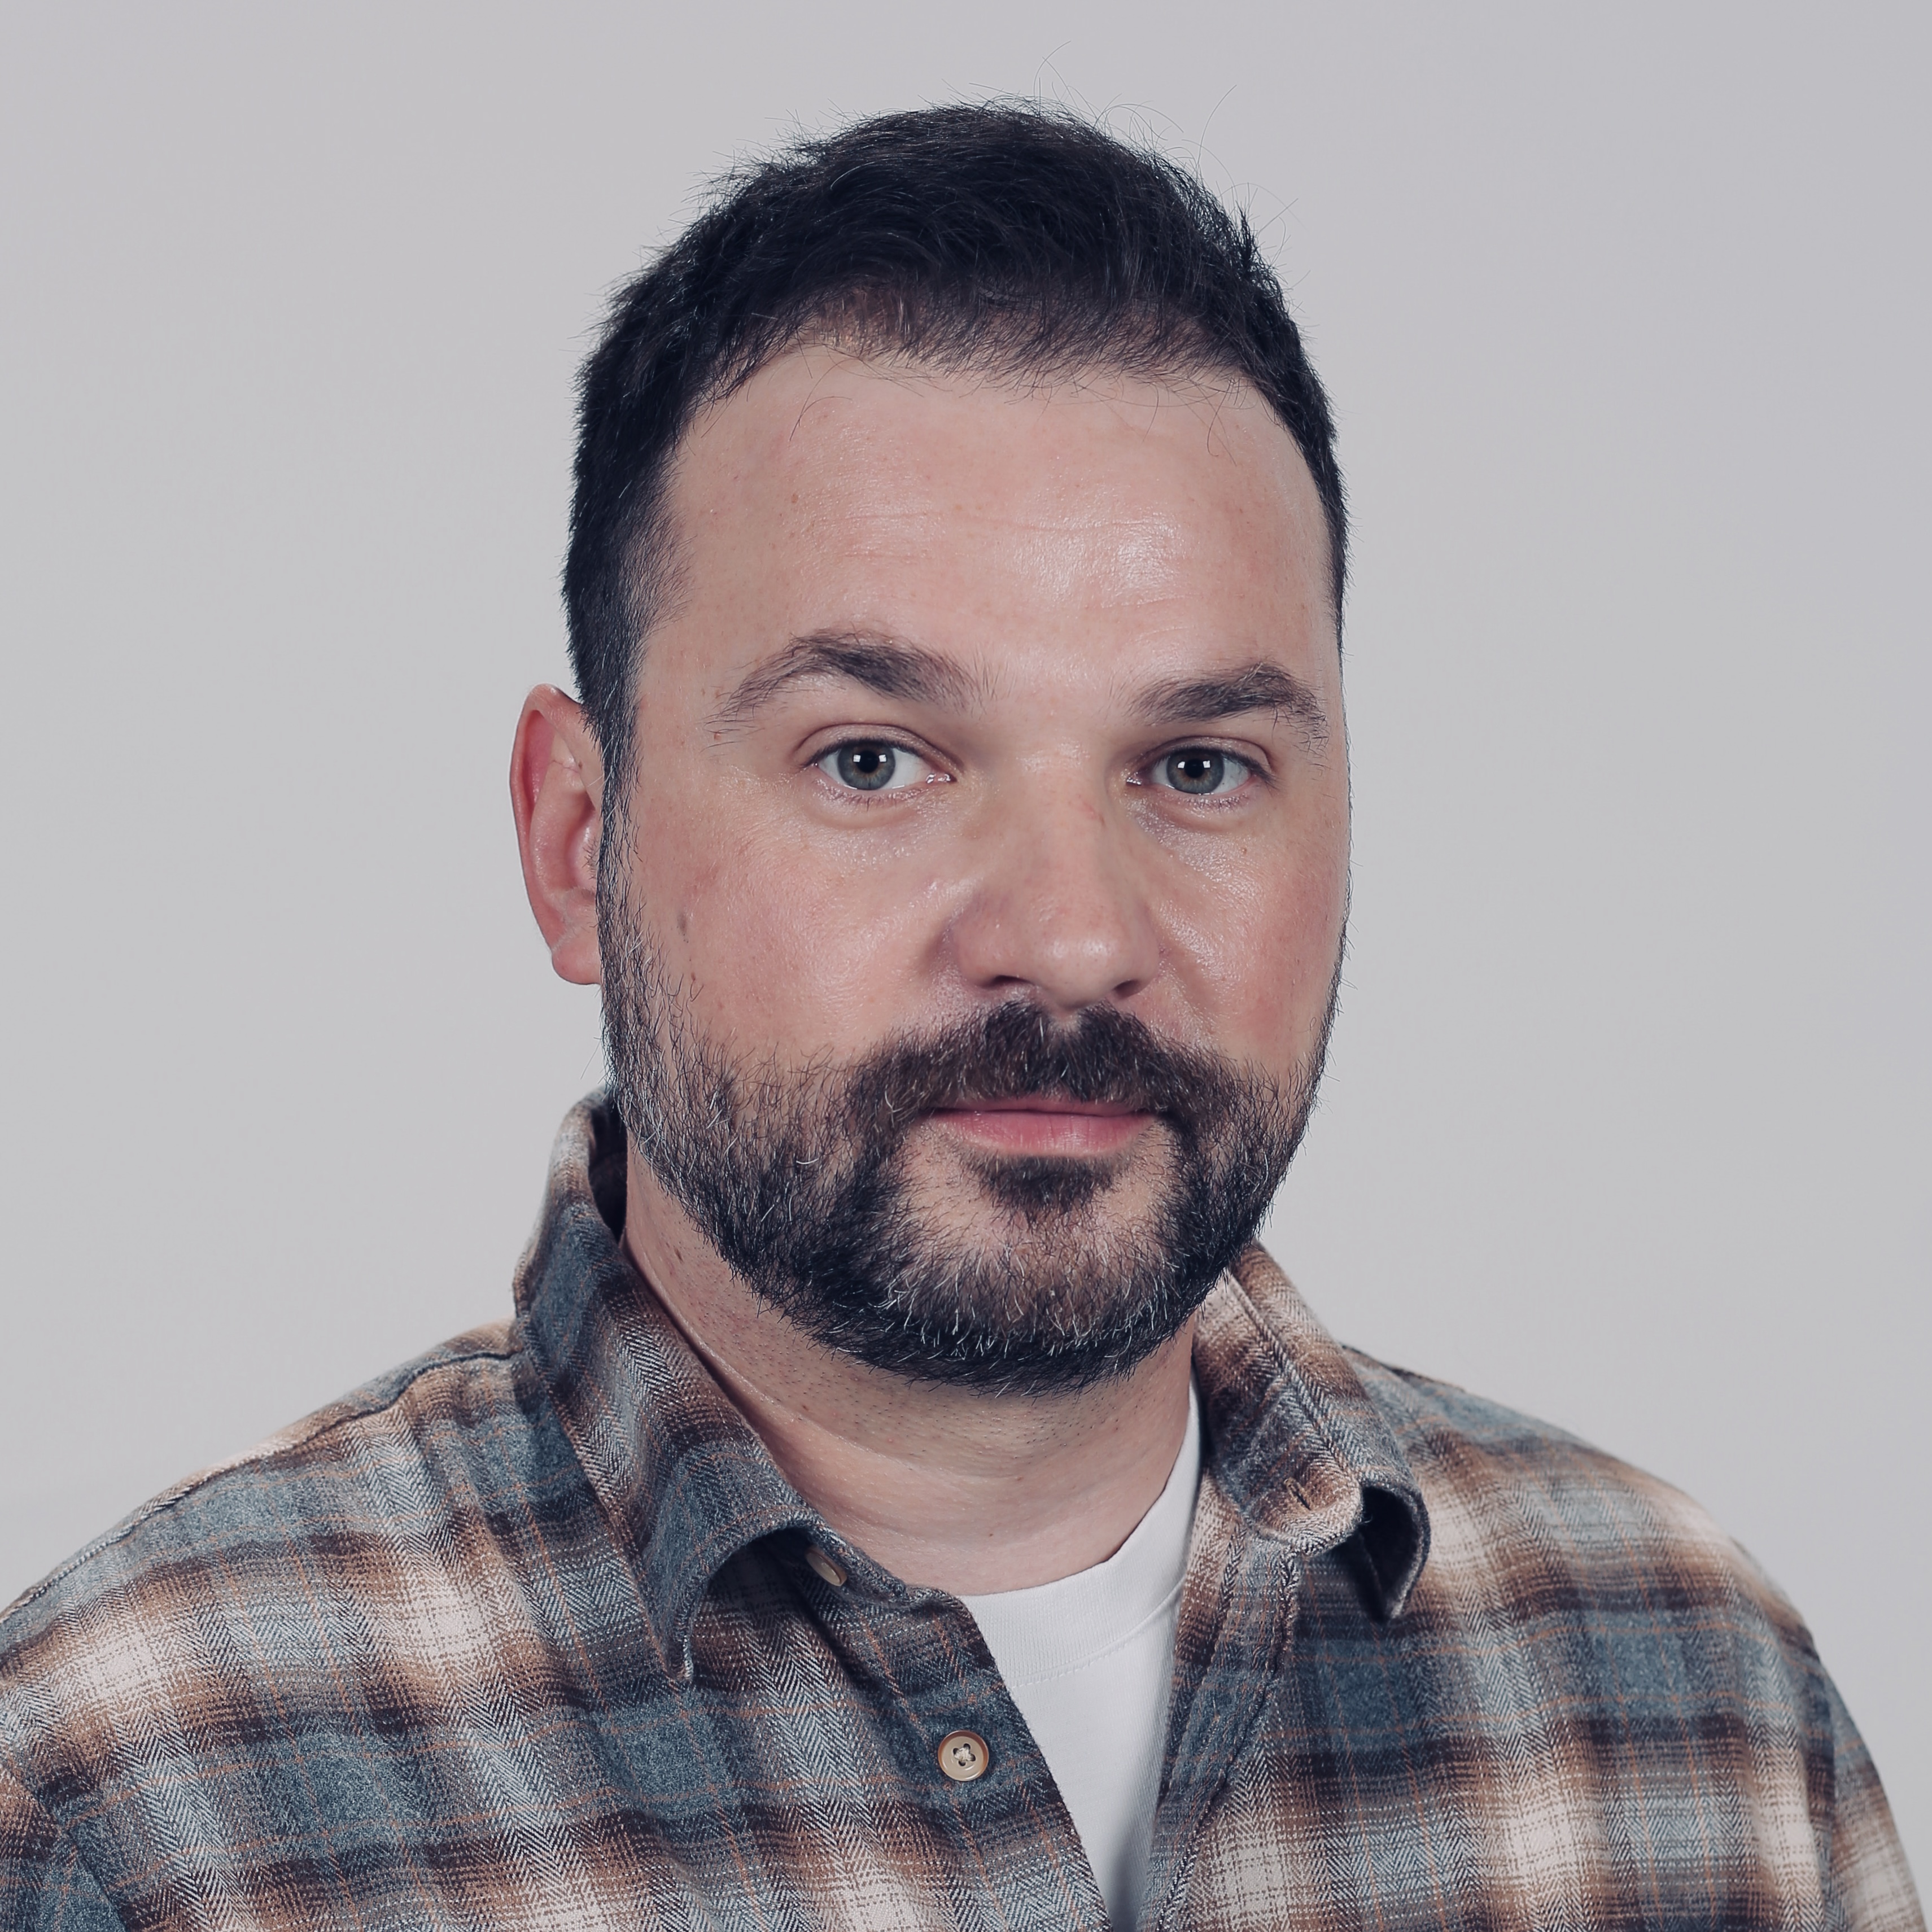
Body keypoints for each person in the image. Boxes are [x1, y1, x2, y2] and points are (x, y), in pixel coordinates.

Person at [0, 102, 1917, 1932]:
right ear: (579, 841)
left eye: (1198, 767)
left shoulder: (1693, 1702)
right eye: (874, 761)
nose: (1072, 940)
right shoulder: (135, 1802)